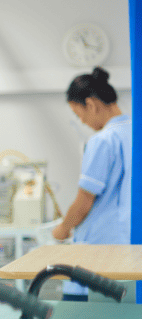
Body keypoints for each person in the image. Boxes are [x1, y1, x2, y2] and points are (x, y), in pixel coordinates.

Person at [51, 67, 131, 301]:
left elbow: (85, 201)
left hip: (100, 248)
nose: (83, 122)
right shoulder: (135, 133)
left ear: (91, 104)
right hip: (129, 245)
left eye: (79, 115)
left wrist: (62, 230)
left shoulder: (103, 141)